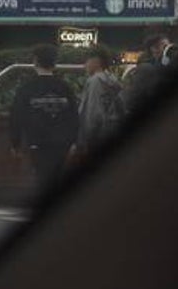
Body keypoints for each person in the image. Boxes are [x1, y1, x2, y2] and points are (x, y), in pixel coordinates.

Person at [9, 44, 79, 190]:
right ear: (54, 62)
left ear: (35, 61)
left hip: (37, 141)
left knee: (42, 177)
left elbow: (16, 116)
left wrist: (15, 143)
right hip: (62, 142)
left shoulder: (26, 88)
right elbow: (73, 116)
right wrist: (73, 140)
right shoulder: (65, 87)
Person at [77, 45, 125, 158]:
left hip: (97, 136)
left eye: (87, 60)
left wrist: (83, 140)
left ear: (96, 61)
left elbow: (93, 114)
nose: (85, 65)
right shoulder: (112, 79)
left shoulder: (95, 81)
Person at [122, 34, 169, 116]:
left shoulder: (167, 66)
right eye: (165, 47)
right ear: (154, 49)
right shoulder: (146, 69)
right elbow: (133, 97)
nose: (168, 50)